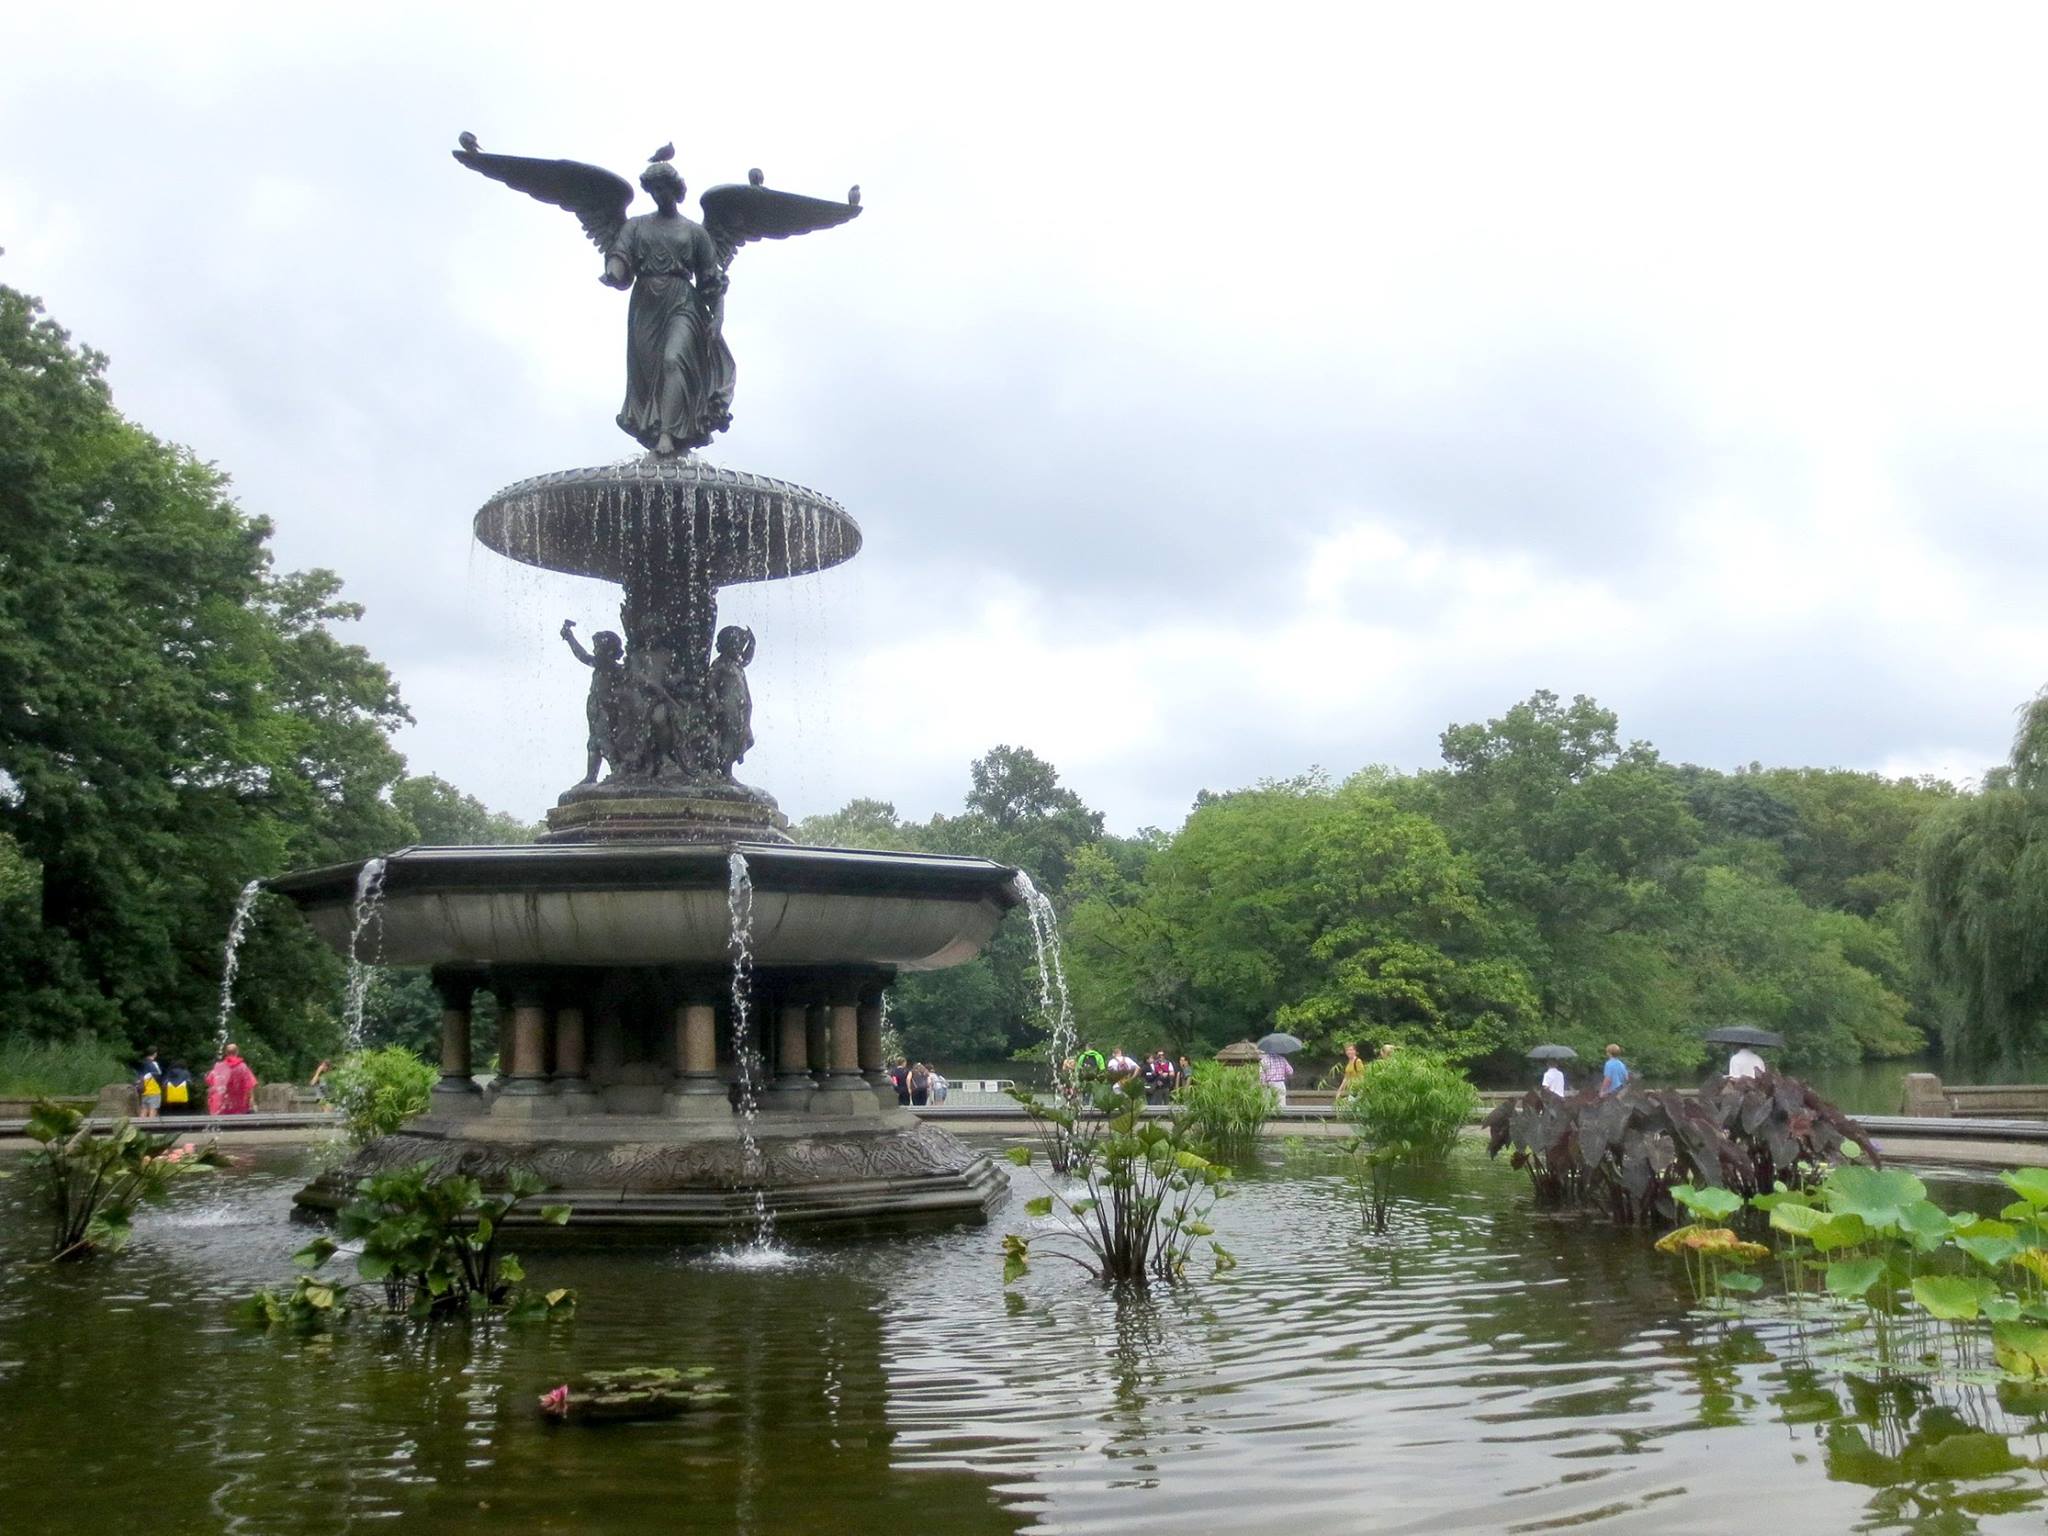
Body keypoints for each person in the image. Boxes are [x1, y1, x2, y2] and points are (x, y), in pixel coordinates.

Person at [215, 1043, 259, 1115]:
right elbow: (250, 1085)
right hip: (242, 1106)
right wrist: (252, 1100)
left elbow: (214, 1086)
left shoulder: (220, 1067)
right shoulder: (243, 1067)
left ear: (226, 1053)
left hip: (225, 1105)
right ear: (237, 1052)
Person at [134, 1047, 165, 1120]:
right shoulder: (153, 1063)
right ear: (155, 1054)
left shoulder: (141, 1063)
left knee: (144, 1109)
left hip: (143, 1089)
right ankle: (150, 1127)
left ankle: (140, 1127)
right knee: (153, 1109)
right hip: (153, 1089)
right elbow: (159, 1074)